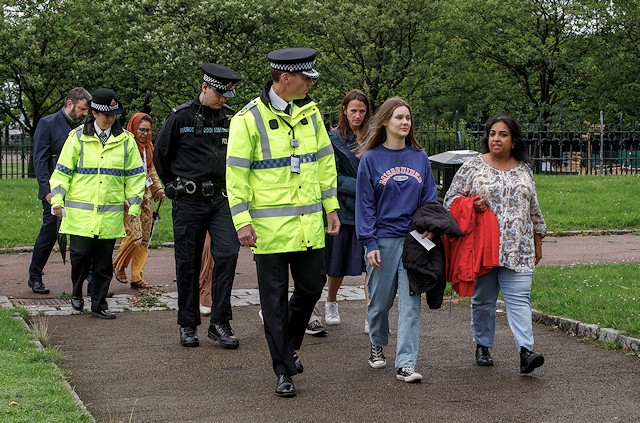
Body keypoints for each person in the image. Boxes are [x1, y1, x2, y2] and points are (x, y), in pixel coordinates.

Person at [226, 47, 340, 397]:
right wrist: (242, 222)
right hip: (269, 232)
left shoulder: (311, 113)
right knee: (273, 301)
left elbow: (324, 161)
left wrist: (331, 206)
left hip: (308, 227)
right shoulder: (246, 119)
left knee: (311, 287)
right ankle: (282, 369)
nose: (310, 84)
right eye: (306, 78)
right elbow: (236, 175)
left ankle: (288, 346)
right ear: (285, 78)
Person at [443, 115, 546, 374]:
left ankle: (526, 352)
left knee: (520, 299)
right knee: (484, 300)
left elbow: (533, 207)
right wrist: (470, 206)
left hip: (518, 249)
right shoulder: (472, 167)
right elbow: (450, 200)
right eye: (492, 134)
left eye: (503, 134)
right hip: (483, 248)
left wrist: (538, 238)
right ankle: (483, 346)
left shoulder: (524, 169)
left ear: (513, 141)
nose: (496, 139)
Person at [154, 63, 243, 349]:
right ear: (204, 87)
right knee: (188, 262)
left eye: (227, 95)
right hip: (189, 199)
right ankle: (188, 323)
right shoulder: (180, 117)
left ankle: (220, 322)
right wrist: (173, 185)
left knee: (228, 253)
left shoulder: (231, 118)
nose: (223, 100)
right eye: (219, 94)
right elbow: (161, 156)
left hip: (221, 199)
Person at [356, 97, 438, 383]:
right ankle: (378, 342)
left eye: (408, 118)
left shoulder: (419, 157)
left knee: (411, 303)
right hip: (383, 240)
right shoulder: (370, 159)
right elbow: (364, 204)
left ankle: (406, 363)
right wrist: (370, 243)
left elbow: (429, 199)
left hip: (414, 241)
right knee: (379, 303)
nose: (405, 122)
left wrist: (430, 228)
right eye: (399, 118)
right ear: (385, 122)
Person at [49, 88, 146, 319]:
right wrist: (57, 200)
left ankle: (99, 304)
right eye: (105, 114)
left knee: (103, 264)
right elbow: (62, 172)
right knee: (80, 256)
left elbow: (135, 176)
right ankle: (76, 290)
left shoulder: (126, 141)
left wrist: (134, 207)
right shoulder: (77, 138)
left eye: (113, 114)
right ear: (94, 113)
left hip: (109, 215)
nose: (109, 118)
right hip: (81, 214)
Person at [308, 89, 372, 333]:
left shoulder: (373, 137)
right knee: (335, 264)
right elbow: (331, 175)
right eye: (353, 110)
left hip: (368, 210)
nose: (357, 115)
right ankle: (331, 300)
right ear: (344, 110)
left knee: (371, 263)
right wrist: (365, 187)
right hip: (343, 208)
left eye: (362, 111)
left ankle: (371, 313)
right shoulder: (333, 138)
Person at [28, 87, 92, 295]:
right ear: (69, 104)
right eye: (82, 109)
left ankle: (91, 280)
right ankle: (34, 276)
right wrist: (48, 192)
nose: (85, 114)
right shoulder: (47, 124)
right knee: (50, 234)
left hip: (80, 192)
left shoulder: (86, 127)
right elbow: (40, 160)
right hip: (55, 192)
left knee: (83, 235)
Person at [112, 113, 165, 289]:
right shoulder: (125, 145)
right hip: (128, 198)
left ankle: (137, 276)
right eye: (142, 130)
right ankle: (119, 265)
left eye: (148, 131)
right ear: (134, 128)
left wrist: (157, 189)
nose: (144, 134)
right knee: (134, 235)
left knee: (144, 239)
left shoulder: (148, 147)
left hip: (145, 198)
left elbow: (151, 170)